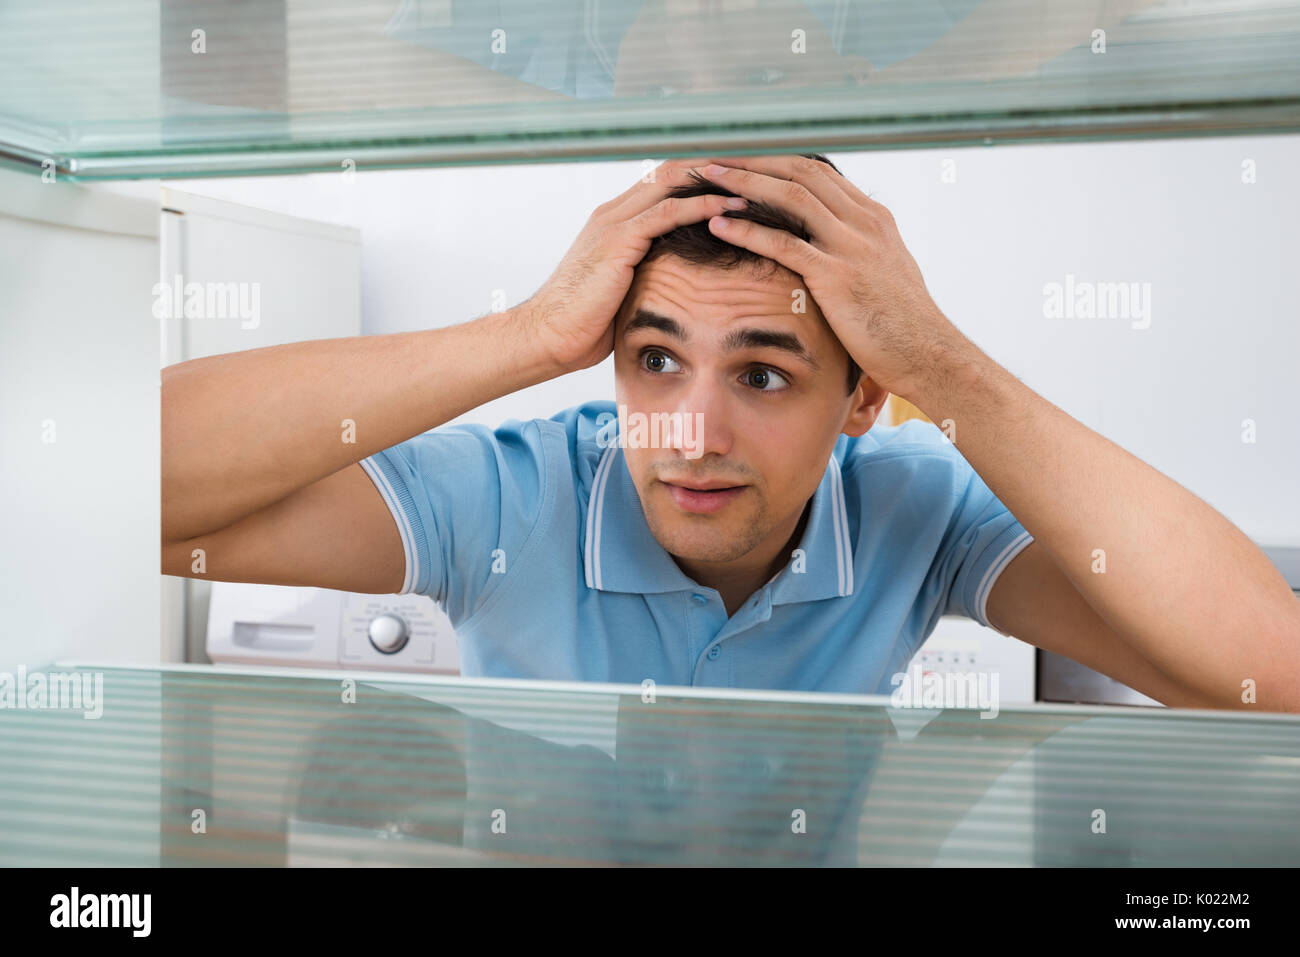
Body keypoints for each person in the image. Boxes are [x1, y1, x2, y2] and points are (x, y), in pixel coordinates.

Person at [161, 153, 1300, 710]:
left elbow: (1266, 676)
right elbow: (138, 492)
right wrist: (527, 333)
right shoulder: (517, 499)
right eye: (655, 362)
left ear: (862, 401)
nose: (690, 435)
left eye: (762, 372)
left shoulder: (913, 506)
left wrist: (943, 367)